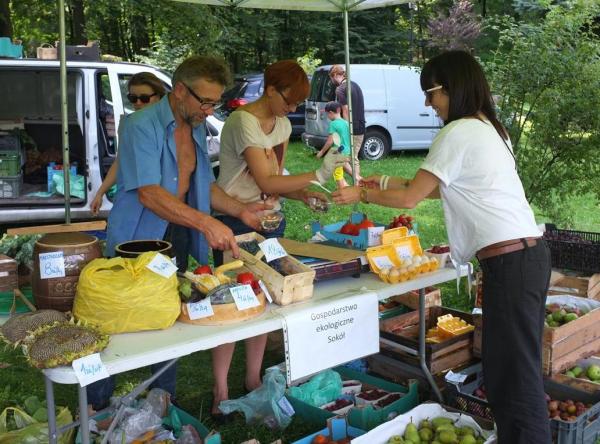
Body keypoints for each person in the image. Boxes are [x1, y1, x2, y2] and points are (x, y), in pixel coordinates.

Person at [332, 50, 551, 444]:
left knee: (514, 380)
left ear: (452, 88)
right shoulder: (488, 128)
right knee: (513, 372)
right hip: (525, 258)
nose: (428, 103)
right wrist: (382, 183)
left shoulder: (459, 131)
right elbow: (442, 188)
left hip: (512, 263)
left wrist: (361, 195)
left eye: (431, 93)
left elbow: (411, 198)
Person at [92, 55, 268, 412]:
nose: (209, 110)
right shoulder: (140, 125)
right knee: (118, 320)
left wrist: (240, 210)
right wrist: (206, 223)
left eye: (215, 103)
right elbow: (149, 193)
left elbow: (203, 185)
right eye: (205, 101)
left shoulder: (197, 126)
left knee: (170, 312)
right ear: (180, 91)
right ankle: (98, 405)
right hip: (136, 240)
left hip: (180, 230)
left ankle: (163, 400)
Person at [212, 59, 347, 421]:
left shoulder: (283, 124)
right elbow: (265, 181)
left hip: (270, 221)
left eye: (297, 103)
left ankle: (252, 379)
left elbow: (276, 181)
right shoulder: (242, 122)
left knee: (268, 297)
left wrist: (303, 194)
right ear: (270, 90)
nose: (293, 108)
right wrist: (317, 174)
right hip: (234, 218)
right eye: (289, 100)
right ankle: (220, 390)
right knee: (231, 303)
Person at [90, 72, 166, 215]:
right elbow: (120, 161)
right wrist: (100, 193)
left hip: (161, 200)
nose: (138, 103)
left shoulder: (170, 126)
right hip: (130, 200)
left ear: (159, 97)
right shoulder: (128, 123)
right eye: (133, 98)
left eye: (144, 98)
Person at [329, 64, 365, 182]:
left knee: (338, 156)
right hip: (361, 126)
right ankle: (358, 184)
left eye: (331, 77)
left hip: (351, 127)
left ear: (335, 75)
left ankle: (359, 181)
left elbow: (345, 109)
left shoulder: (340, 89)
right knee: (353, 158)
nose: (331, 80)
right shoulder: (355, 85)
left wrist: (345, 127)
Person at [316, 101, 351, 189]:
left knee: (337, 173)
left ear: (331, 113)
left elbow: (330, 141)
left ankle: (343, 191)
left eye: (327, 114)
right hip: (347, 151)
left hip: (339, 152)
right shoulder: (345, 122)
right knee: (340, 170)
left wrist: (321, 152)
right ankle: (347, 186)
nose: (327, 116)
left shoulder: (333, 124)